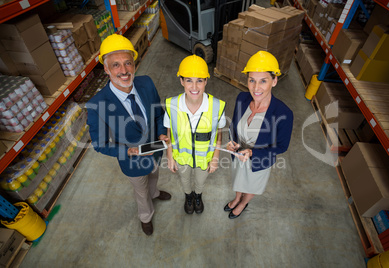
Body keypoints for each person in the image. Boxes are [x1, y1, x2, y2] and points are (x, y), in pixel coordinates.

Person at [86, 34, 171, 236]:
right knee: (141, 191)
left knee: (154, 176)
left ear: (134, 64)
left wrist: (161, 133)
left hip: (155, 151)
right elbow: (99, 144)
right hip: (132, 161)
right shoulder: (97, 104)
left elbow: (159, 114)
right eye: (115, 65)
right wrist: (128, 151)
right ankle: (146, 216)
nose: (123, 71)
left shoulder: (147, 83)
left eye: (127, 63)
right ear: (106, 69)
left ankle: (156, 193)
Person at [224, 51, 293, 219]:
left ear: (274, 80)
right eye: (252, 80)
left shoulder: (283, 113)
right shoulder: (242, 98)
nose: (256, 88)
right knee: (238, 180)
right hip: (238, 156)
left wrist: (253, 153)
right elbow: (234, 126)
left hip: (259, 161)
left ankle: (242, 203)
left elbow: (282, 146)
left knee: (251, 185)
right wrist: (231, 142)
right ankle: (236, 198)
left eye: (263, 81)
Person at [164, 55, 226, 214]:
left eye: (199, 80)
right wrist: (169, 155)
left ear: (206, 81)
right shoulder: (172, 105)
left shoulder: (217, 106)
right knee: (185, 180)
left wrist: (216, 158)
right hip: (182, 157)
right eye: (189, 80)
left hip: (204, 158)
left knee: (200, 181)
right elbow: (170, 131)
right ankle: (188, 196)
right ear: (181, 81)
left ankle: (198, 196)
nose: (194, 86)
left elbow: (218, 133)